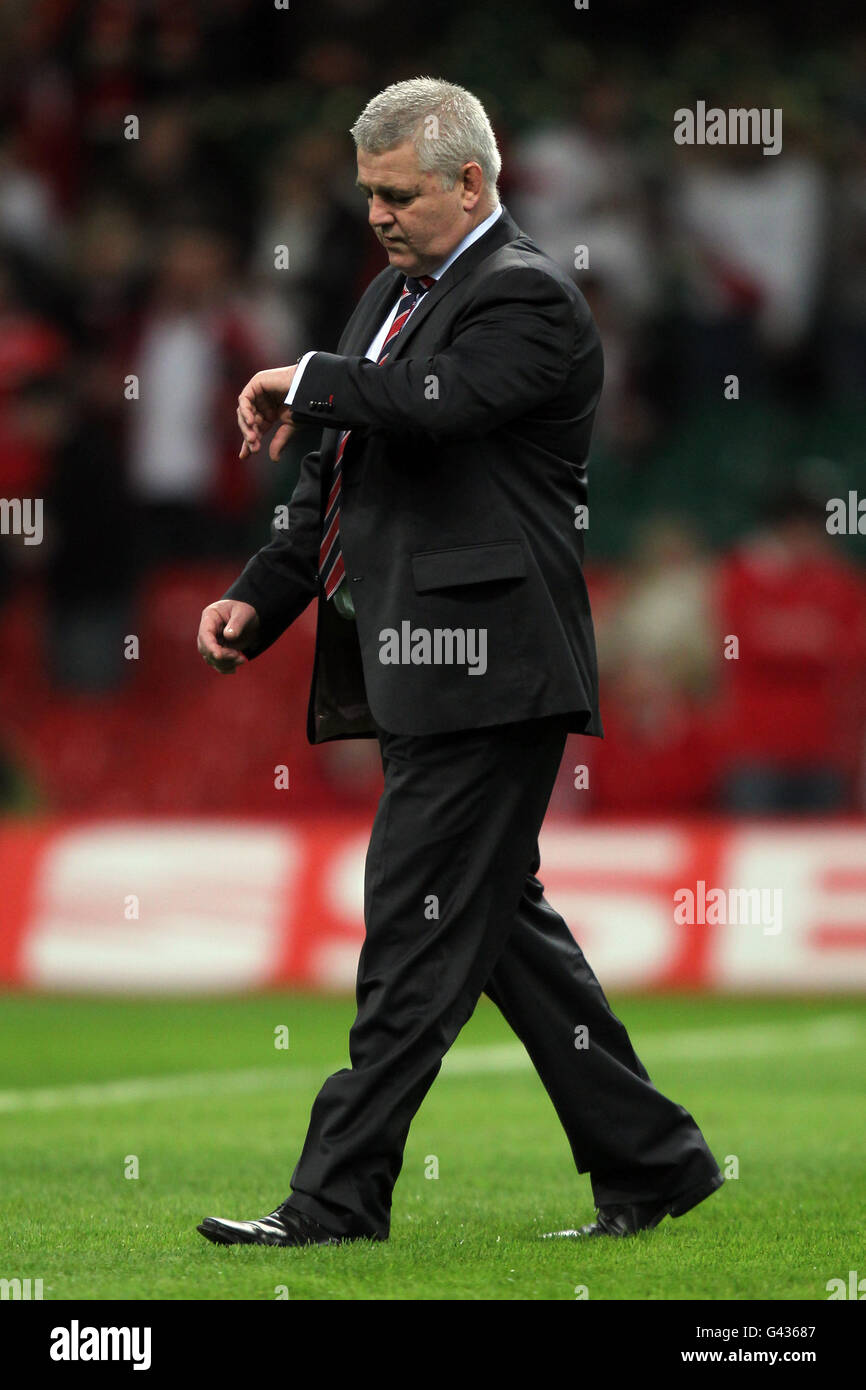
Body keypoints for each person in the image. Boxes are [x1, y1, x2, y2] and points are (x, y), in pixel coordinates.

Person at [195, 78, 723, 1247]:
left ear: (471, 183)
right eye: (367, 194)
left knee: (410, 933)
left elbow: (431, 407)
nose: (377, 215)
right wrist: (259, 594)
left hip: (493, 670)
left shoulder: (525, 297)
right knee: (494, 931)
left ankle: (335, 1201)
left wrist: (314, 375)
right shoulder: (394, 295)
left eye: (398, 193)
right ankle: (656, 1158)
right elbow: (333, 469)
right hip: (426, 667)